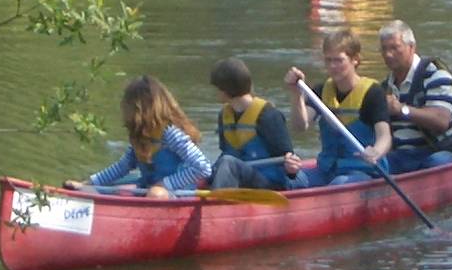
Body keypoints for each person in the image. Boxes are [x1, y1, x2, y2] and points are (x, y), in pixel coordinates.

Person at [65, 75, 211, 198]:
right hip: (147, 189)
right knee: (99, 189)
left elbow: (202, 167)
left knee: (156, 193)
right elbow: (121, 167)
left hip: (177, 194)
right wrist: (87, 184)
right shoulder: (141, 137)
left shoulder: (171, 134)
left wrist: (164, 185)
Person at [281, 30, 393, 188]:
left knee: (339, 184)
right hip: (327, 170)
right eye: (328, 60)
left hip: (361, 171)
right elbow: (300, 126)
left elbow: (385, 136)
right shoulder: (321, 91)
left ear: (355, 60)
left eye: (339, 60)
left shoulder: (373, 92)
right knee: (289, 181)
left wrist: (376, 151)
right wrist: (296, 94)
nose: (333, 66)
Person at [377, 20, 452, 174]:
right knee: (374, 166)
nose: (388, 54)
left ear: (411, 47)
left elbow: (440, 120)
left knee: (436, 164)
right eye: (384, 49)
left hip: (445, 151)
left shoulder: (436, 75)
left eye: (395, 48)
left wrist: (401, 109)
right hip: (403, 156)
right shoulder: (385, 88)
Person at [206, 58, 295, 191]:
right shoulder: (224, 116)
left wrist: (291, 167)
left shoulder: (269, 116)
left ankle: (214, 208)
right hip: (239, 180)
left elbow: (288, 162)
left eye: (217, 88)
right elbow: (225, 152)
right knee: (219, 165)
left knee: (227, 162)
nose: (216, 93)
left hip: (269, 185)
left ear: (225, 90)